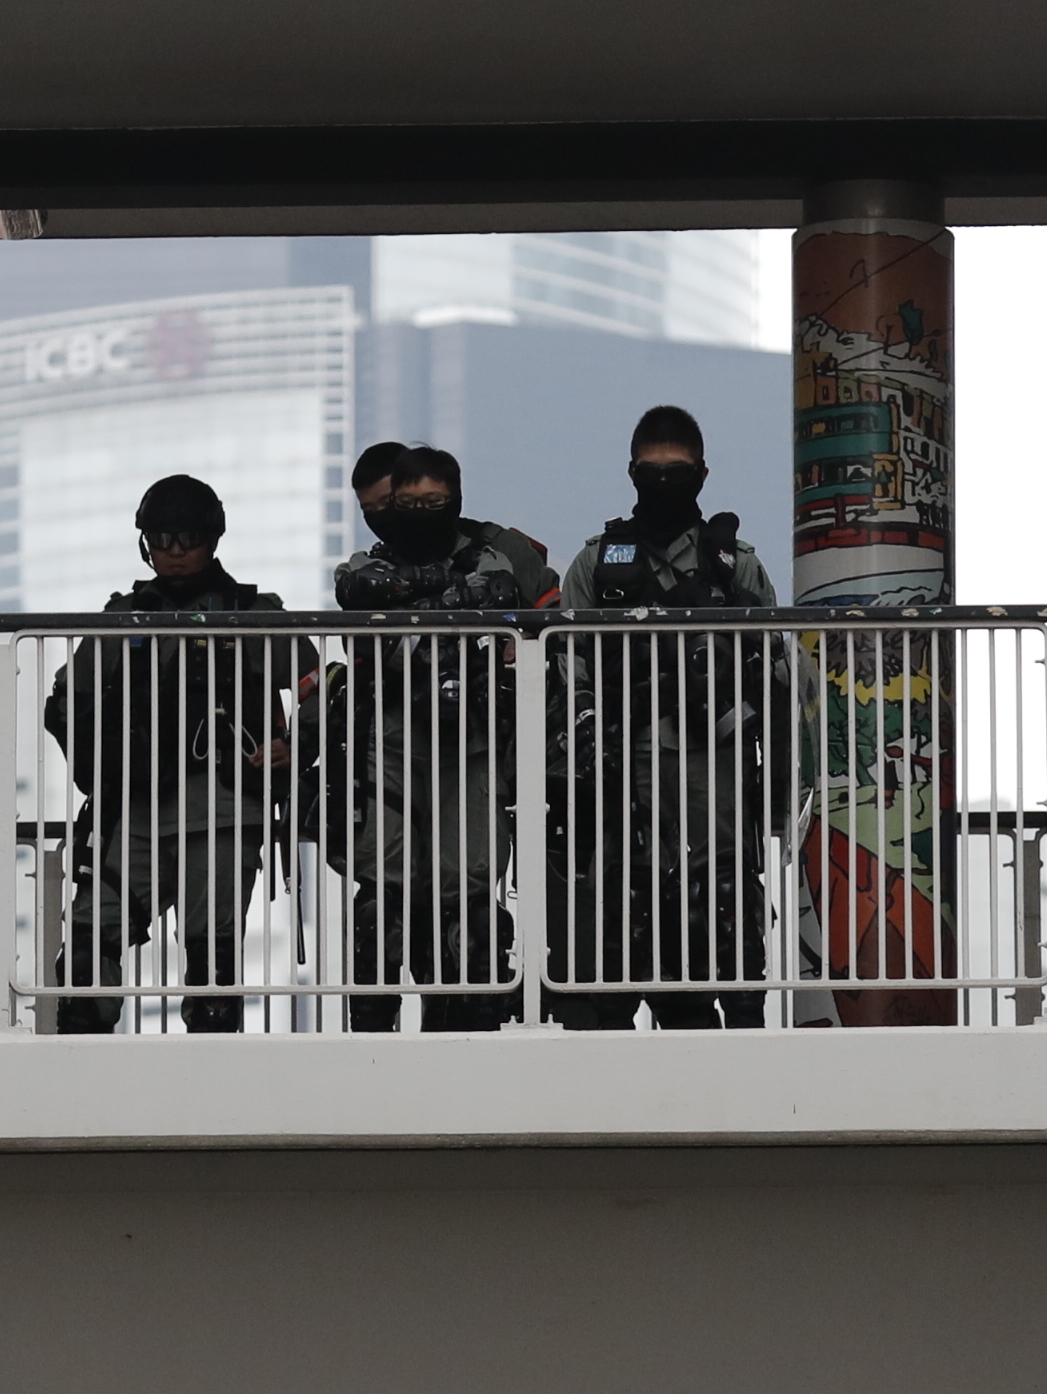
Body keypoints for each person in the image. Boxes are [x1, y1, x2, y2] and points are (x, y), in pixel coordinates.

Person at [39, 475, 299, 1032]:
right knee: (84, 952)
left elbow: (322, 683)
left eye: (187, 537)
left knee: (212, 967)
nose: (174, 551)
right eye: (161, 538)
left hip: (223, 808)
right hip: (133, 811)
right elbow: (64, 702)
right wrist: (98, 771)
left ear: (212, 539)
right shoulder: (123, 618)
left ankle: (212, 1097)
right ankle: (78, 1083)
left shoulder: (252, 613)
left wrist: (296, 746)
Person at [551, 407, 781, 1029]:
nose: (663, 481)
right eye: (651, 471)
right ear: (630, 472)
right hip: (620, 769)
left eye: (676, 471)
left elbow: (775, 663)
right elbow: (565, 661)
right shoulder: (596, 562)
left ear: (703, 474)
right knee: (622, 921)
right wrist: (588, 730)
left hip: (719, 763)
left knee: (727, 911)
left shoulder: (736, 566)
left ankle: (733, 1051)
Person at [327, 446, 541, 1030]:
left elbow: (500, 593)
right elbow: (356, 589)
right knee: (380, 902)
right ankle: (371, 1040)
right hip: (390, 745)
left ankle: (468, 1033)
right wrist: (448, 594)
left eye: (434, 502)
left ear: (457, 501)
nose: (420, 512)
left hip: (472, 745)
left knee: (470, 902)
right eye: (409, 502)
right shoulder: (366, 566)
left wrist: (426, 596)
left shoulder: (492, 557)